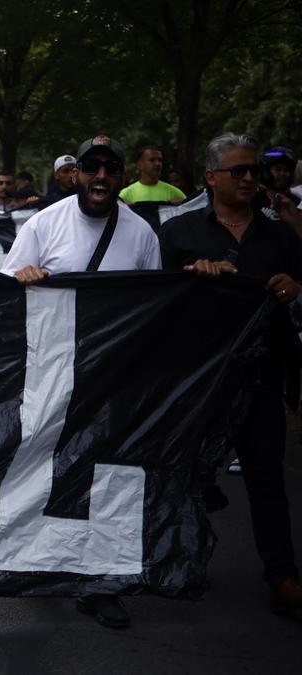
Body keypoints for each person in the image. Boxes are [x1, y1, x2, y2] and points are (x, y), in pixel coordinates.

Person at [3, 136, 159, 630]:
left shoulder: (141, 235)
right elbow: (5, 286)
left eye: (110, 169)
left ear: (121, 176)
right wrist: (22, 275)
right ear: (76, 173)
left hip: (112, 378)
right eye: (91, 166)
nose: (100, 176)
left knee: (107, 475)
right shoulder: (43, 224)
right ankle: (40, 562)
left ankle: (100, 582)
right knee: (44, 466)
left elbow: (153, 306)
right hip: (50, 371)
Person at [159, 132, 302, 616]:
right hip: (201, 378)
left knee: (266, 477)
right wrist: (190, 278)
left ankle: (282, 577)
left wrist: (293, 285)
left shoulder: (279, 235)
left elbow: (300, 283)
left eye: (253, 170)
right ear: (211, 176)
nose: (248, 178)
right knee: (183, 474)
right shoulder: (179, 234)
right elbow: (157, 304)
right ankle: (172, 561)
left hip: (261, 375)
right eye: (238, 170)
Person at [119, 145, 186, 205]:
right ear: (140, 165)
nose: (157, 164)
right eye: (152, 160)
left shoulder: (175, 193)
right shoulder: (126, 194)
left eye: (160, 160)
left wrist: (182, 204)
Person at [258, 146, 301, 234]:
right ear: (266, 172)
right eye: (278, 169)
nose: (282, 173)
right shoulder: (254, 200)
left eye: (286, 170)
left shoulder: (296, 202)